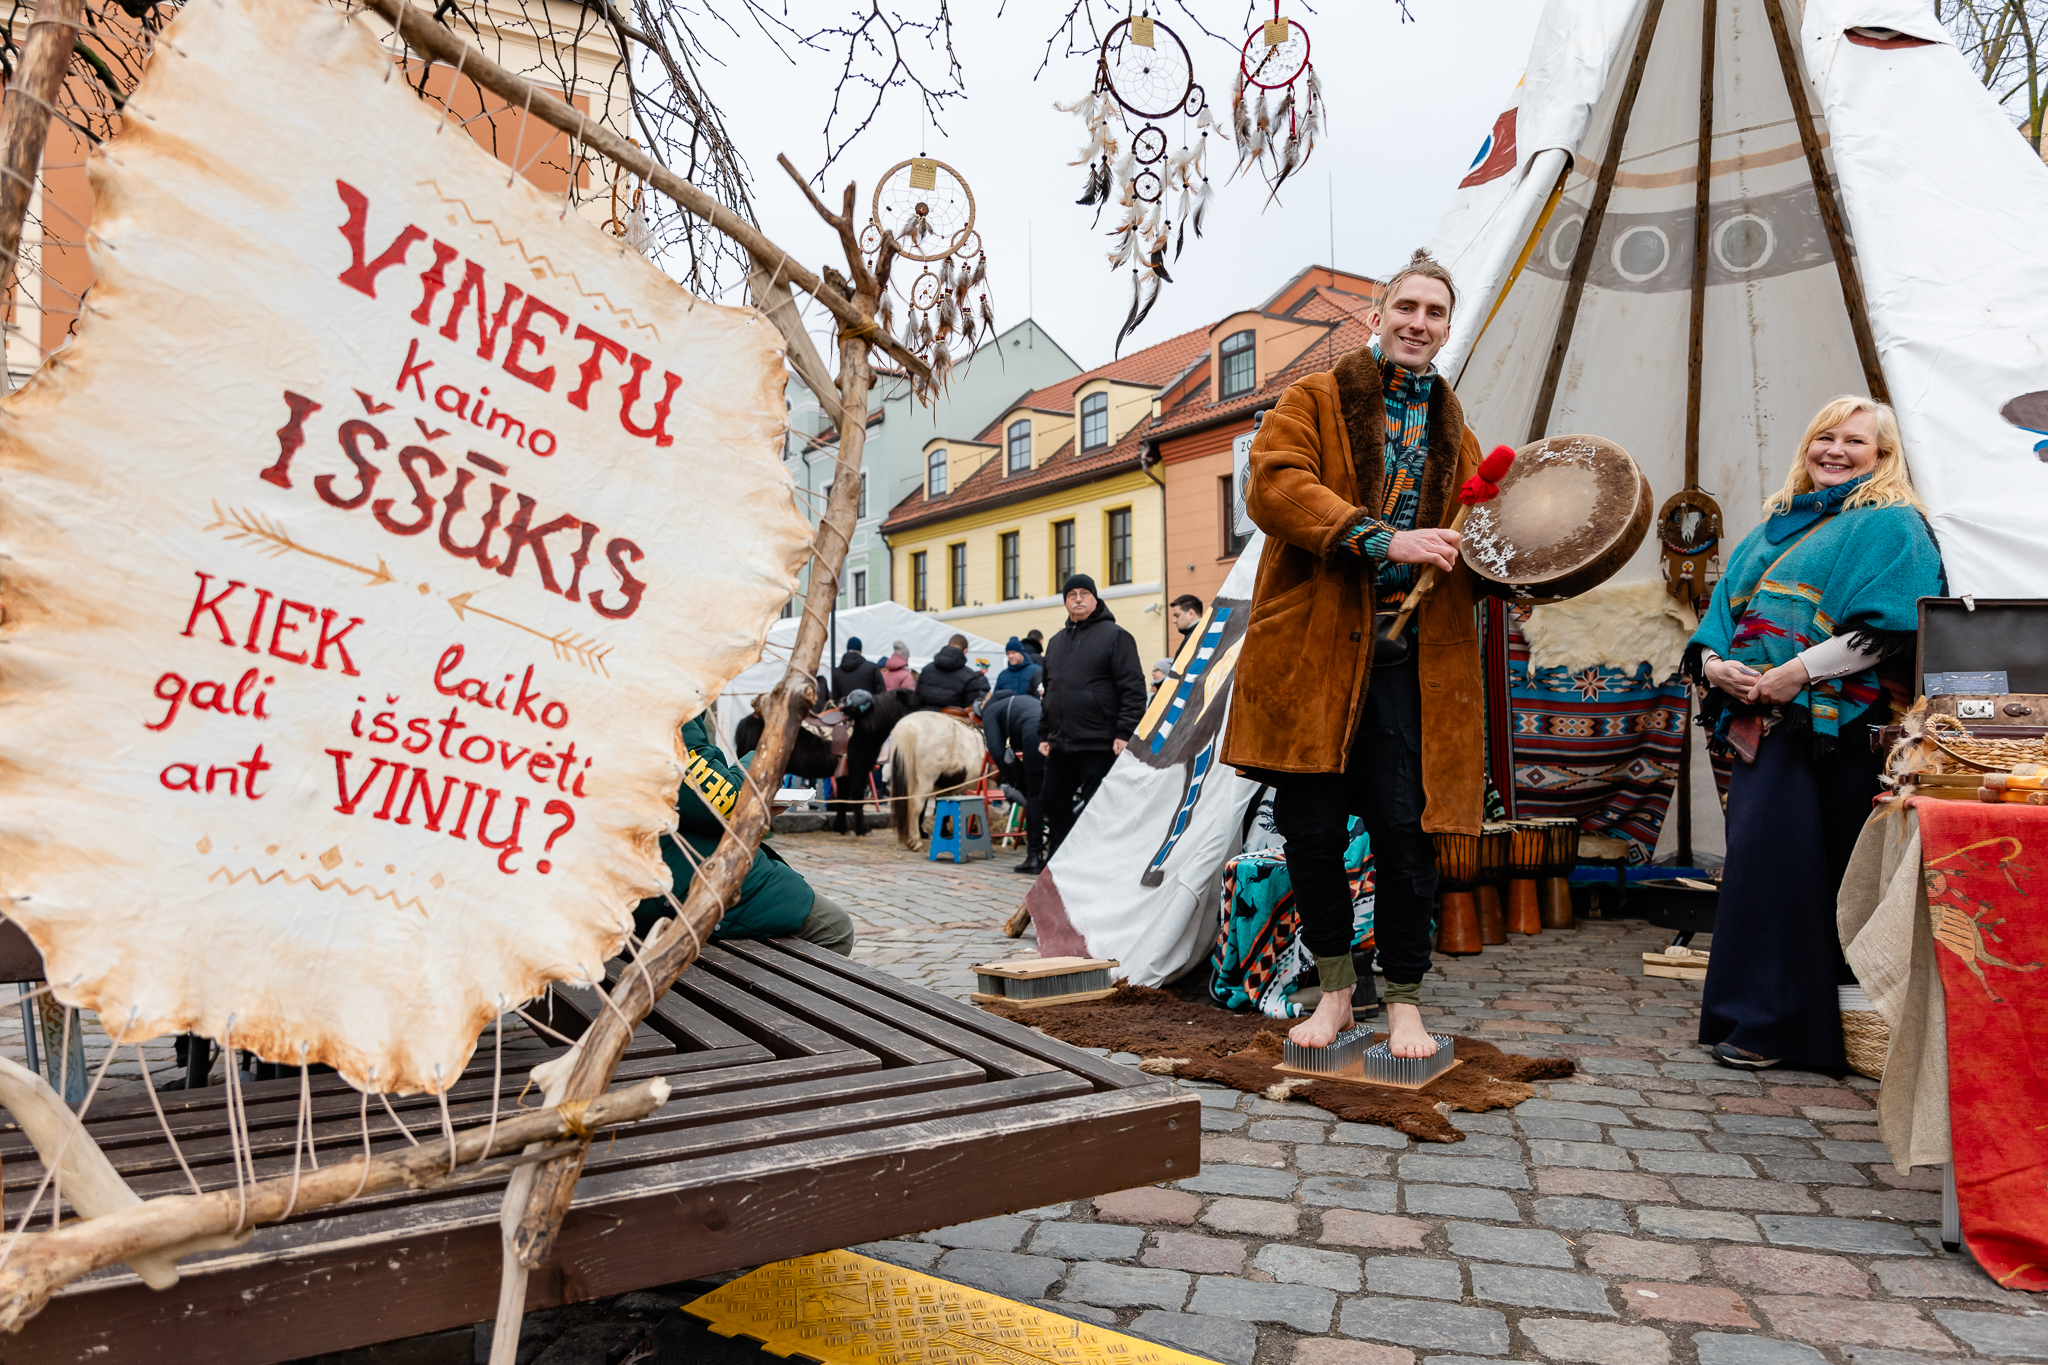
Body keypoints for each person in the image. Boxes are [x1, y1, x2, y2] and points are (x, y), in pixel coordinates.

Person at [1219, 249, 1485, 1059]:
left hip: (1407, 662)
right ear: (1377, 317)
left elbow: (1479, 539)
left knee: (1408, 837)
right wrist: (1383, 537)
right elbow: (1271, 482)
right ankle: (1334, 994)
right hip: (1313, 654)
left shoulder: (1454, 425)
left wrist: (1531, 564)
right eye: (1406, 306)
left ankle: (1403, 1002)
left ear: (1445, 327)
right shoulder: (1316, 397)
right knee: (1311, 834)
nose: (1418, 322)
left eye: (1434, 312)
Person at [1687, 396, 1944, 1072]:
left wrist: (1795, 673)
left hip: (1831, 726)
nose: (1834, 450)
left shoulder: (1893, 524)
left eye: (1855, 441)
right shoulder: (1777, 525)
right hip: (1761, 717)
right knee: (1760, 868)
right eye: (1823, 437)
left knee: (1797, 873)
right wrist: (1718, 667)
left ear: (1884, 456)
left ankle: (1776, 1029)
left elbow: (1889, 625)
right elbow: (1720, 614)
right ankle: (1754, 1017)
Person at [635, 714, 856, 955]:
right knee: (834, 927)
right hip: (663, 879)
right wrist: (767, 755)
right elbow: (726, 803)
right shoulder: (665, 701)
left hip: (635, 869)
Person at [1038, 573, 1147, 854]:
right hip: (1061, 743)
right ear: (1065, 602)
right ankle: (1068, 855)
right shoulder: (1055, 642)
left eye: (1084, 593)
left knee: (1098, 807)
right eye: (1071, 595)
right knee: (1051, 801)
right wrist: (1044, 733)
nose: (1077, 599)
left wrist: (1125, 732)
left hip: (1100, 741)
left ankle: (1098, 860)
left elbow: (1133, 689)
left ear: (1095, 598)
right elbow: (1048, 691)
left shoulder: (1116, 636)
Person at [984, 689, 1047, 873]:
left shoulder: (991, 710)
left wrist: (1015, 781)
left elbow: (996, 752)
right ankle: (1055, 853)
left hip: (1034, 733)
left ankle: (1033, 857)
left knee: (1033, 796)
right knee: (1052, 794)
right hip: (1054, 729)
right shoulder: (1025, 701)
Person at [914, 639, 990, 712]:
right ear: (965, 651)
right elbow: (970, 708)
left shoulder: (926, 669)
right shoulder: (970, 676)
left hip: (923, 712)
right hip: (954, 718)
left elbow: (916, 699)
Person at [831, 635, 883, 703]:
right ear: (860, 651)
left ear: (847, 650)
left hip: (845, 712)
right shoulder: (872, 668)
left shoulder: (836, 673)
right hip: (870, 712)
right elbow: (882, 696)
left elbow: (835, 701)